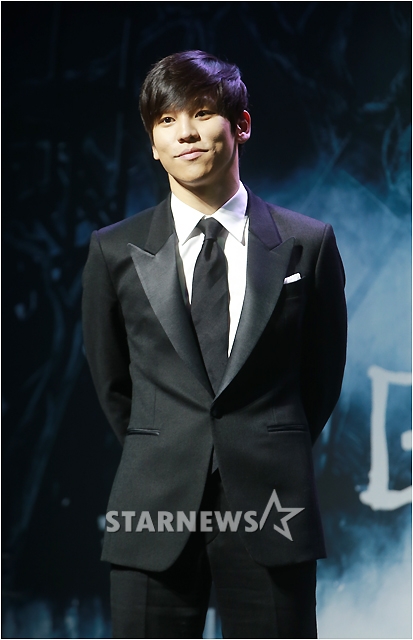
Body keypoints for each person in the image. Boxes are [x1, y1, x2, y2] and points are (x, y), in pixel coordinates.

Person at [82, 50, 347, 639]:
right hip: (151, 506)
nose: (185, 132)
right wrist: (167, 442)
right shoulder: (114, 249)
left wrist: (263, 439)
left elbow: (321, 377)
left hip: (273, 507)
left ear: (241, 125)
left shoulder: (308, 244)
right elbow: (112, 381)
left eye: (201, 113)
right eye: (166, 120)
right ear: (153, 143)